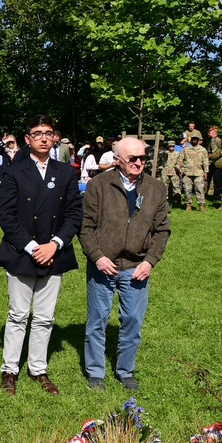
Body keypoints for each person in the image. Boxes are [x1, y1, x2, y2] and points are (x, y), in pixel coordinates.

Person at [0, 116, 82, 396]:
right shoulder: (14, 171)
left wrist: (54, 244)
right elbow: (5, 215)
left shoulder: (67, 172)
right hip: (22, 252)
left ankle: (38, 368)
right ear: (27, 139)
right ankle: (9, 369)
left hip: (54, 252)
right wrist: (33, 247)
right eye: (37, 134)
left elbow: (74, 214)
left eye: (48, 133)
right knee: (18, 314)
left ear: (55, 137)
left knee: (44, 317)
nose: (43, 138)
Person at [79, 137, 170, 391]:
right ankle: (96, 372)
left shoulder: (156, 189)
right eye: (133, 158)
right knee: (97, 320)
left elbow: (162, 231)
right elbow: (85, 227)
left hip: (136, 266)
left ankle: (125, 370)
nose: (139, 163)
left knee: (132, 320)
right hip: (103, 264)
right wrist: (97, 256)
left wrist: (150, 262)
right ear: (117, 160)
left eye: (143, 158)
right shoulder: (98, 185)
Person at [178, 133, 209, 211]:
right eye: (193, 139)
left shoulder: (203, 150)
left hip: (199, 173)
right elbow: (179, 161)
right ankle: (188, 205)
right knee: (187, 190)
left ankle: (201, 205)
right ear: (190, 140)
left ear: (198, 140)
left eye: (196, 139)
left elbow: (205, 161)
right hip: (187, 173)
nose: (194, 140)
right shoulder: (185, 149)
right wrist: (181, 170)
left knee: (200, 190)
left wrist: (206, 172)